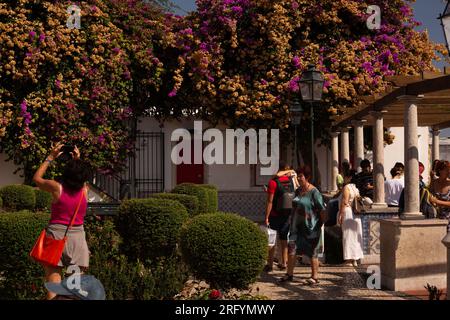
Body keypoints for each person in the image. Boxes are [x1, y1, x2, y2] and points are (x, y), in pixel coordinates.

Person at [32, 143, 92, 300]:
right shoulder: (85, 191)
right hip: (78, 238)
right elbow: (81, 177)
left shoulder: (56, 187)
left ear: (66, 172)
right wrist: (77, 159)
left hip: (56, 235)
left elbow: (37, 179)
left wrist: (51, 157)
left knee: (53, 287)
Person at [279, 168, 327, 285]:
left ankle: (314, 277)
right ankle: (289, 274)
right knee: (292, 249)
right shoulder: (298, 191)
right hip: (296, 227)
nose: (298, 178)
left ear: (307, 177)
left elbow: (322, 210)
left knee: (312, 252)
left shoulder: (314, 192)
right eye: (298, 176)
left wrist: (320, 224)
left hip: (311, 227)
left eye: (301, 176)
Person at [264, 161, 296, 272]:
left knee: (272, 240)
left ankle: (270, 264)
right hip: (287, 214)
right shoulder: (291, 181)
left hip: (274, 214)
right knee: (284, 239)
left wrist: (266, 216)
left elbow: (270, 201)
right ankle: (284, 263)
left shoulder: (273, 182)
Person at [338, 169, 364, 267]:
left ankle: (348, 260)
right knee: (355, 236)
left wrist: (340, 214)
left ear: (349, 177)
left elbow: (344, 202)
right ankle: (355, 259)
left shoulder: (347, 187)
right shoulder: (355, 188)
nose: (343, 178)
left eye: (345, 176)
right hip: (355, 214)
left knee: (348, 236)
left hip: (348, 212)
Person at [430, 160, 450, 232]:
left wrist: (437, 201)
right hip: (436, 218)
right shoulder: (434, 182)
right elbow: (430, 197)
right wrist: (431, 178)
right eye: (446, 169)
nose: (448, 172)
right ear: (440, 170)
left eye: (449, 169)